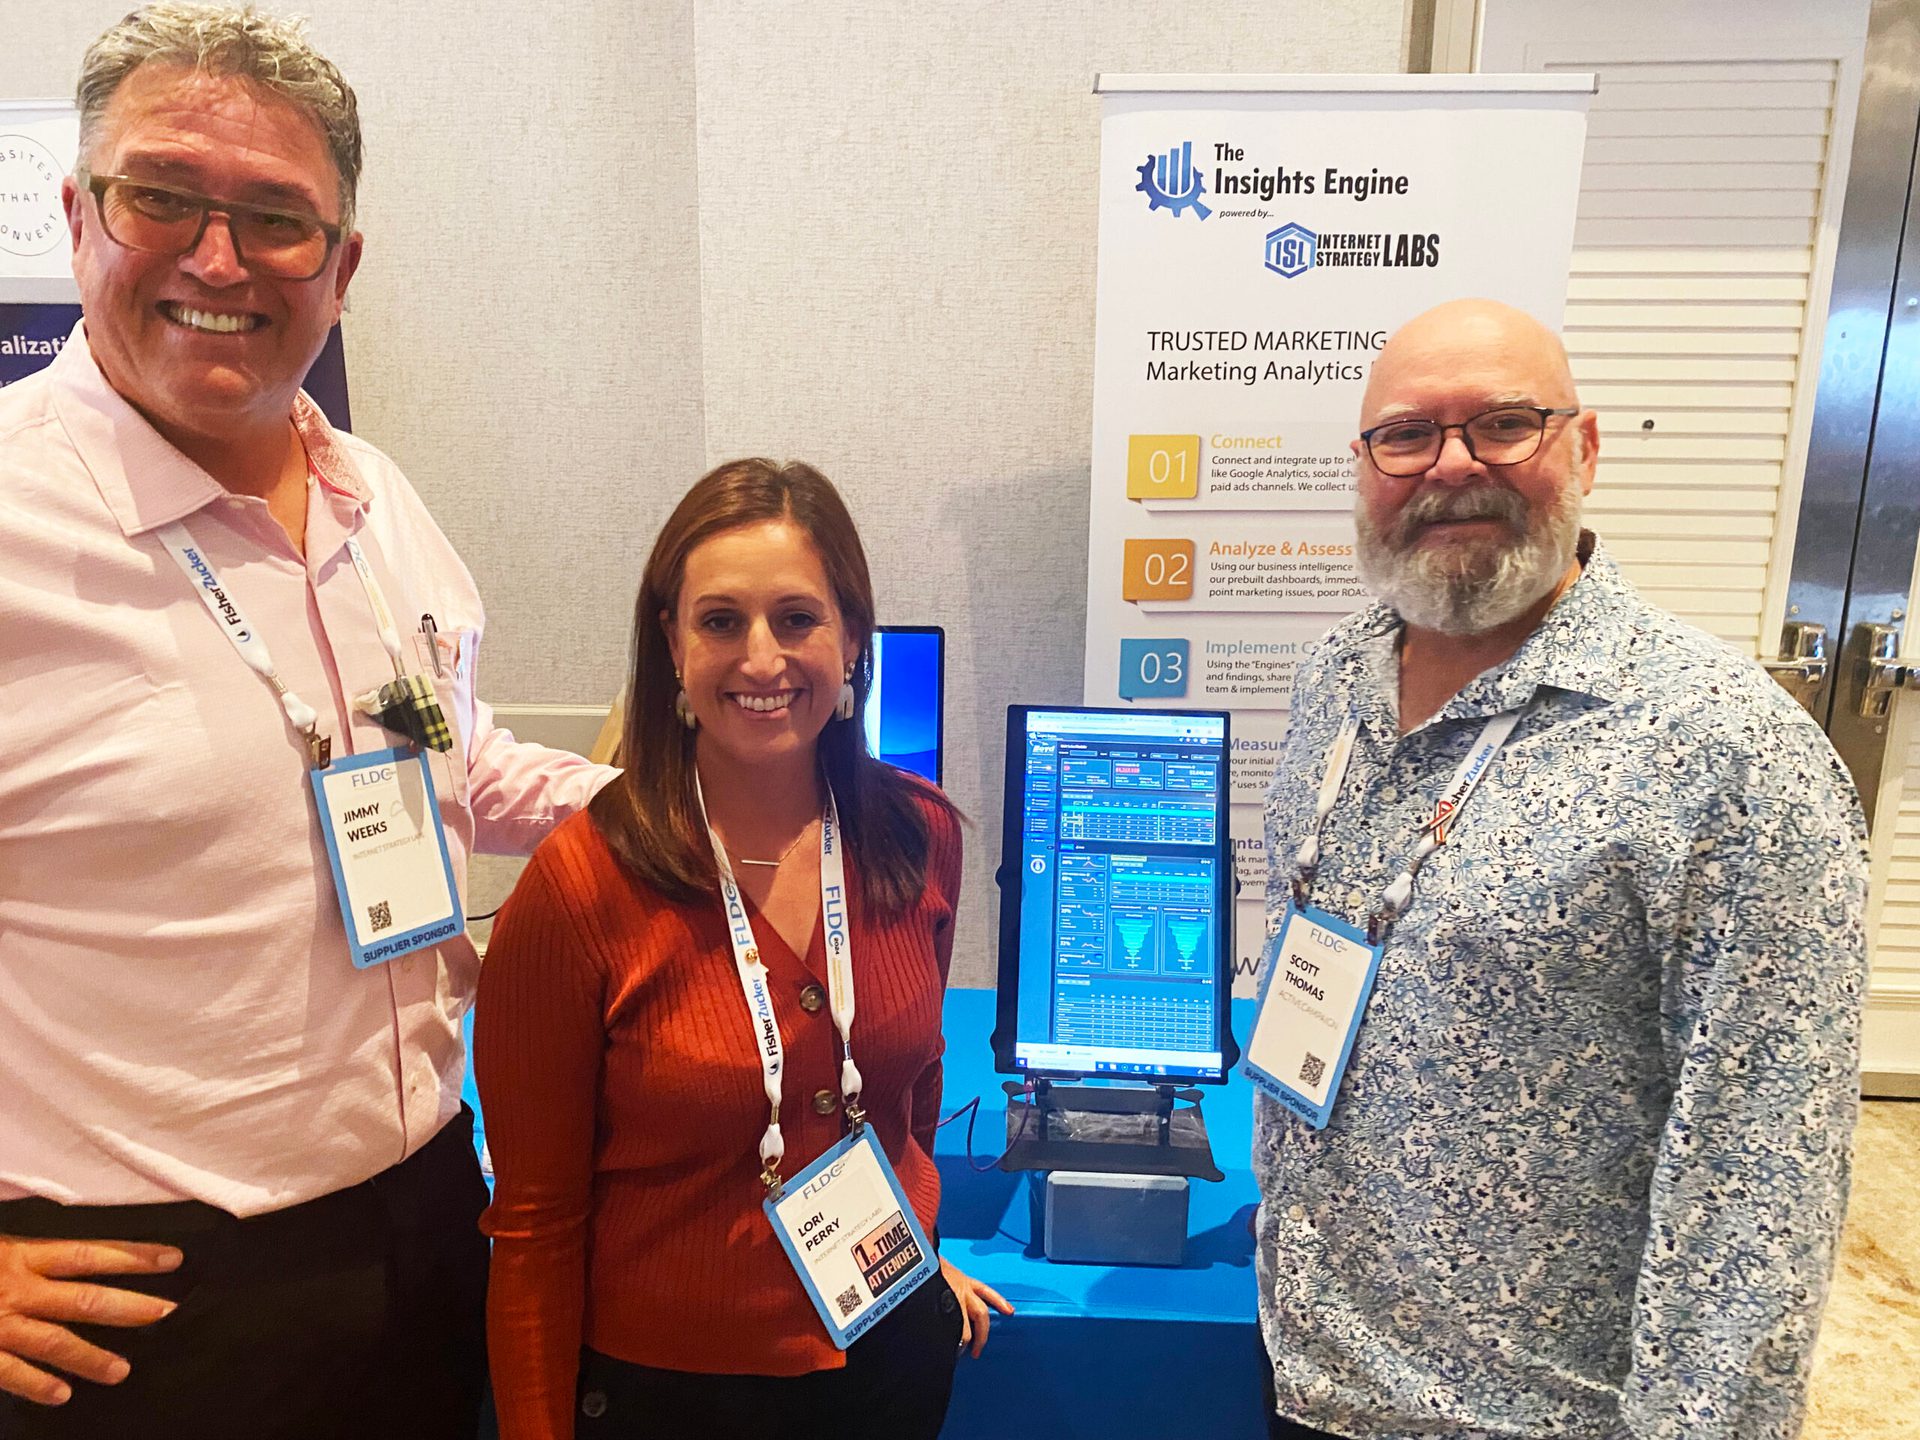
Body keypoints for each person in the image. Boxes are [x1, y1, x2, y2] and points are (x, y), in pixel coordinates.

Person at [0, 6, 616, 1437]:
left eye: (275, 219)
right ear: (79, 215)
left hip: (426, 1224)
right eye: (163, 195)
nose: (217, 260)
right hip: (145, 1308)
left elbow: (451, 765)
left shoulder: (373, 496)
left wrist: (689, 818)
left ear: (341, 265)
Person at [1253, 298, 1867, 1440]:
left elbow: (1758, 1184)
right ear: (1365, 467)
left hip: (1532, 1417)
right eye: (1407, 435)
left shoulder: (1729, 755)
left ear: (1582, 448)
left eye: (1502, 424)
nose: (1452, 466)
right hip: (1307, 1364)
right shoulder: (1335, 676)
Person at [475, 459, 1011, 1440]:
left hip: (888, 1360)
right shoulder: (579, 886)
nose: (762, 659)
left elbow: (906, 1095)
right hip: (671, 1394)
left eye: (797, 618)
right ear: (671, 646)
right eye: (721, 621)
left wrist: (917, 1247)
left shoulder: (919, 833)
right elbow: (534, 1229)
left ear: (853, 638)